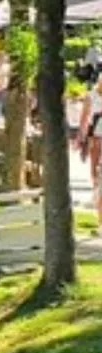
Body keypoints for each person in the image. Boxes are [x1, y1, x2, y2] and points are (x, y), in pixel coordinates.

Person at [76, 73, 102, 233]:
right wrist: (82, 136)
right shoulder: (91, 96)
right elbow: (84, 117)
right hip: (95, 136)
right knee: (94, 166)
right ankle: (96, 188)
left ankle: (99, 190)